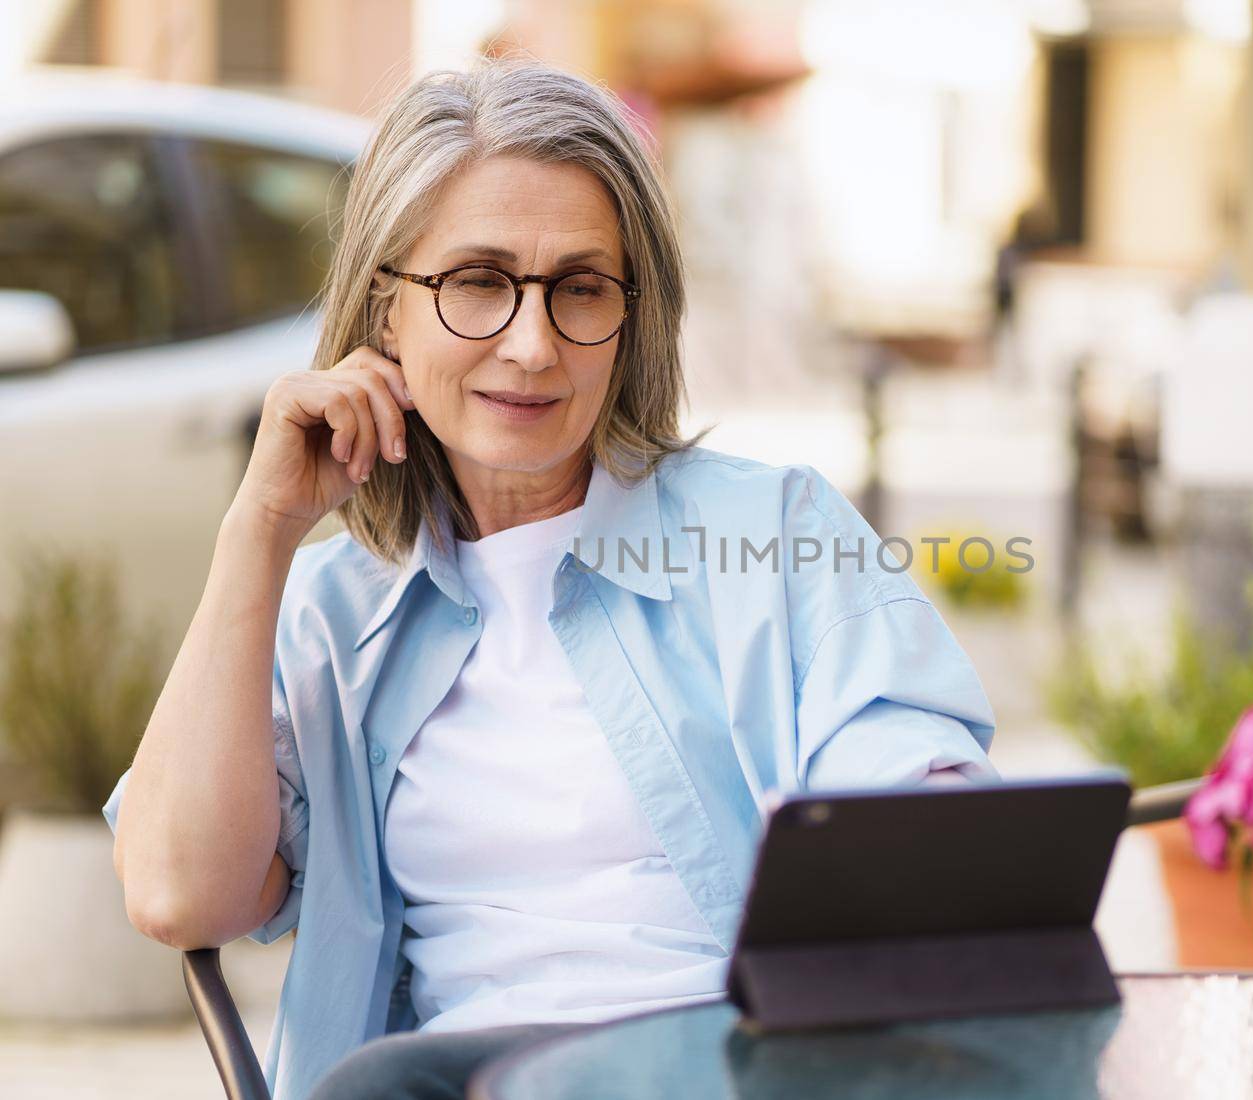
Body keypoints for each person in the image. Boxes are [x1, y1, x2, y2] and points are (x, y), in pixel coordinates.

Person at [103, 59, 998, 1100]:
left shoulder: (778, 533)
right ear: (387, 311)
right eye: (478, 281)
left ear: (632, 316)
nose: (531, 346)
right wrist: (257, 531)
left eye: (580, 288)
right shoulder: (330, 613)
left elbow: (918, 820)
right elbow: (179, 892)